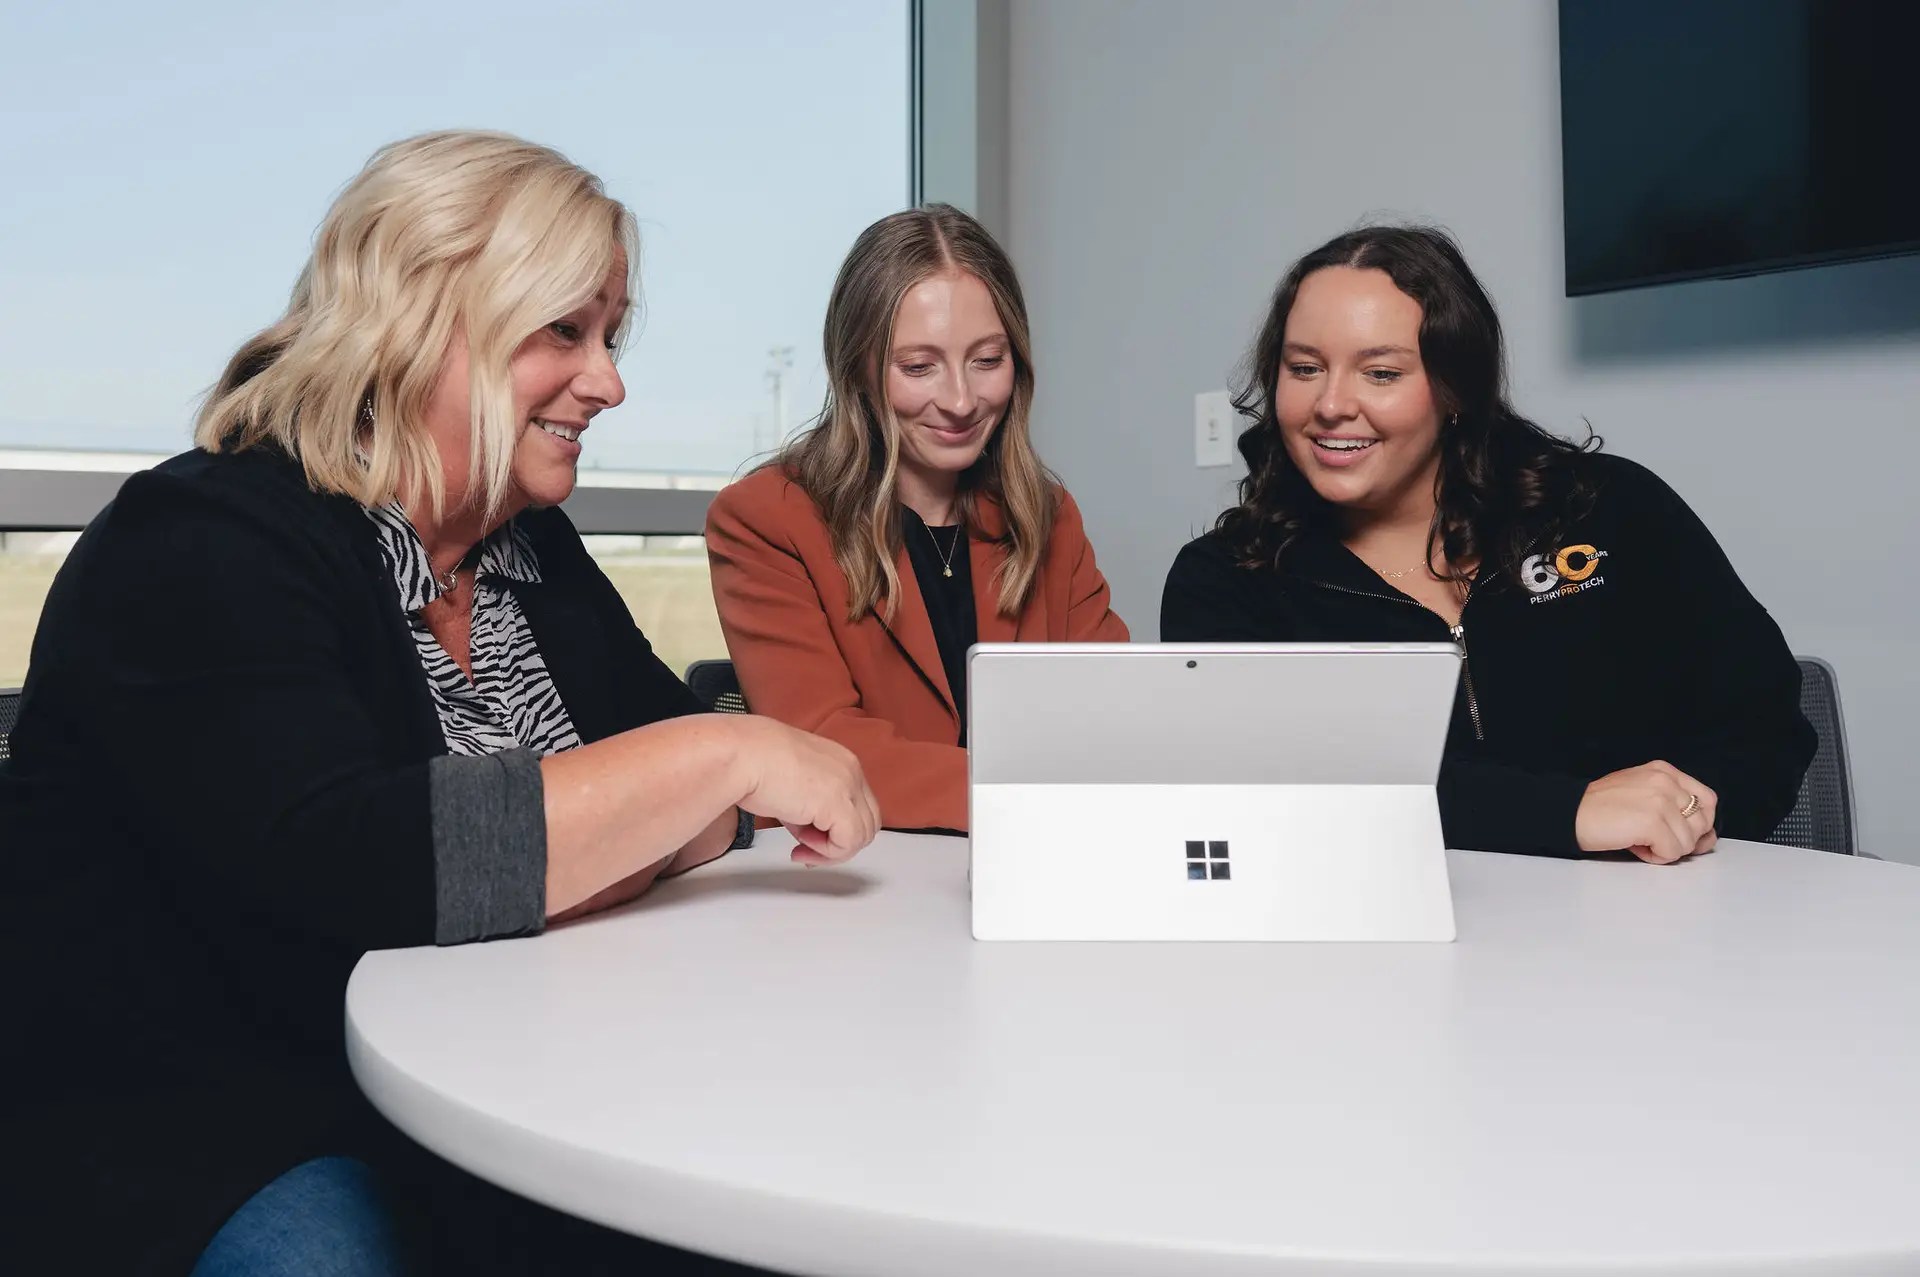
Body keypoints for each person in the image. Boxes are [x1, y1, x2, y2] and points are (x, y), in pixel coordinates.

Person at [0, 130, 877, 1275]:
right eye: (564, 330)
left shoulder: (531, 553)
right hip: (224, 1123)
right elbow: (365, 868)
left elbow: (665, 800)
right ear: (417, 322)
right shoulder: (203, 539)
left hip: (527, 1074)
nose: (608, 380)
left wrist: (617, 813)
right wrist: (715, 758)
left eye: (610, 334)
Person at [1161, 225, 1814, 863]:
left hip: (1657, 927)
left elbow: (1765, 725)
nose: (1331, 404)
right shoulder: (1225, 581)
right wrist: (1567, 813)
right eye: (1304, 368)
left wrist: (1682, 814)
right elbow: (1277, 792)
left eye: (1380, 373)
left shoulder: (1611, 511)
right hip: (1389, 946)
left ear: (1454, 389)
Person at [706, 204, 1128, 832]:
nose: (961, 400)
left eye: (988, 360)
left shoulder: (1047, 516)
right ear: (858, 370)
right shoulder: (764, 520)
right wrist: (1040, 798)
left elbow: (1116, 716)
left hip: (1034, 861)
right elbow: (825, 754)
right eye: (918, 366)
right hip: (856, 884)